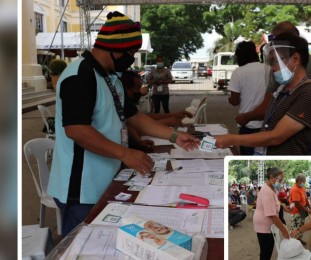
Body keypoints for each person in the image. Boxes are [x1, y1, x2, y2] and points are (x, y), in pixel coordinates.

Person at [47, 12, 200, 236]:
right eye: (131, 53)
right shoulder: (80, 75)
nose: (132, 58)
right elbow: (76, 130)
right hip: (81, 188)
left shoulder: (111, 78)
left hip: (106, 177)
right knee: (83, 244)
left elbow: (133, 116)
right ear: (114, 47)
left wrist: (174, 136)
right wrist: (124, 153)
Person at [215, 33, 311, 155]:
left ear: (295, 59)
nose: (272, 68)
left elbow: (276, 137)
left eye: (275, 61)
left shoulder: (308, 94)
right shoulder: (282, 91)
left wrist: (231, 139)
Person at [234, 21, 311, 155]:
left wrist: (245, 118)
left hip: (285, 146)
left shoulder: (285, 69)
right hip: (309, 137)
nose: (273, 68)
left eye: (274, 39)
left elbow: (268, 113)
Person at [228, 41, 267, 155]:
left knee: (247, 159)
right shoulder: (268, 69)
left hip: (247, 124)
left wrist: (229, 99)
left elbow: (234, 101)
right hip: (267, 124)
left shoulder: (239, 72)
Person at [253, 167, 289, 260]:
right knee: (266, 251)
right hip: (264, 227)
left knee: (266, 249)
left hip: (268, 225)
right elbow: (271, 214)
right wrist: (284, 230)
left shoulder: (272, 189)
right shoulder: (267, 191)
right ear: (272, 177)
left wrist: (282, 206)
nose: (280, 182)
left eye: (282, 180)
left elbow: (274, 203)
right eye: (279, 180)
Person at [289, 174, 311, 245]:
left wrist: (310, 207)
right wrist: (307, 210)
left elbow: (305, 198)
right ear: (299, 181)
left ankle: (299, 240)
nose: (304, 183)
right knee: (295, 227)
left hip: (302, 211)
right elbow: (297, 203)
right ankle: (293, 242)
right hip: (296, 212)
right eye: (304, 181)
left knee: (301, 226)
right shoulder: (295, 189)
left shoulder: (302, 188)